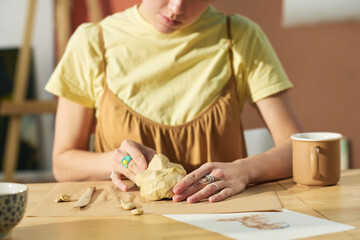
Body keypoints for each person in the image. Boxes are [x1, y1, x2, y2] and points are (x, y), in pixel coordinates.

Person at [45, 0, 304, 204]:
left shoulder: (239, 36)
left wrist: (245, 170)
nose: (177, 6)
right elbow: (62, 163)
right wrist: (113, 161)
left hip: (221, 220)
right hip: (124, 225)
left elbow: (298, 149)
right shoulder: (92, 42)